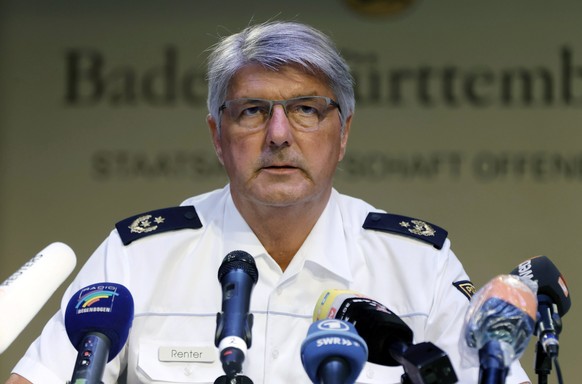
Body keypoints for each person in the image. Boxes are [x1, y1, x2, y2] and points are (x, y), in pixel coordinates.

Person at [6, 21, 531, 384]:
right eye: (253, 111)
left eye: (306, 109)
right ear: (217, 135)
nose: (279, 135)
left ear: (343, 133)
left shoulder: (420, 263)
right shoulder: (136, 255)